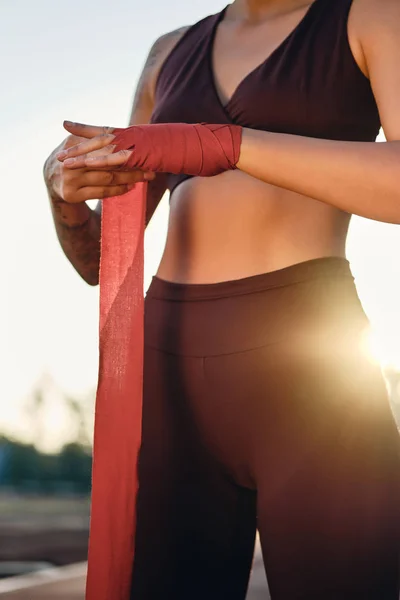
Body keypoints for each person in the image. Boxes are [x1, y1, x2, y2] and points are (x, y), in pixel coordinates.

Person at [44, 0, 400, 597]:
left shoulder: (369, 15)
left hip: (310, 361)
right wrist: (64, 197)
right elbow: (98, 263)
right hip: (164, 363)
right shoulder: (168, 52)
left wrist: (228, 144)